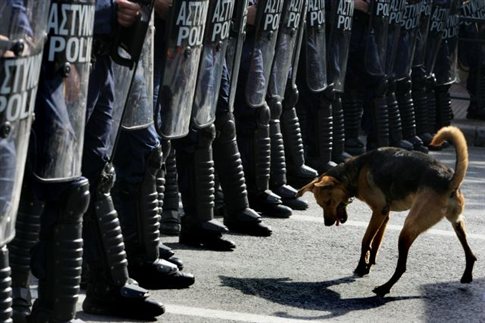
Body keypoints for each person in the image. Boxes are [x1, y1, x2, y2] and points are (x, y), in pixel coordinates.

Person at [79, 0, 165, 319]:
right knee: (46, 186)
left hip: (101, 54)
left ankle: (108, 285)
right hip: (59, 57)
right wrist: (108, 9)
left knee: (96, 176)